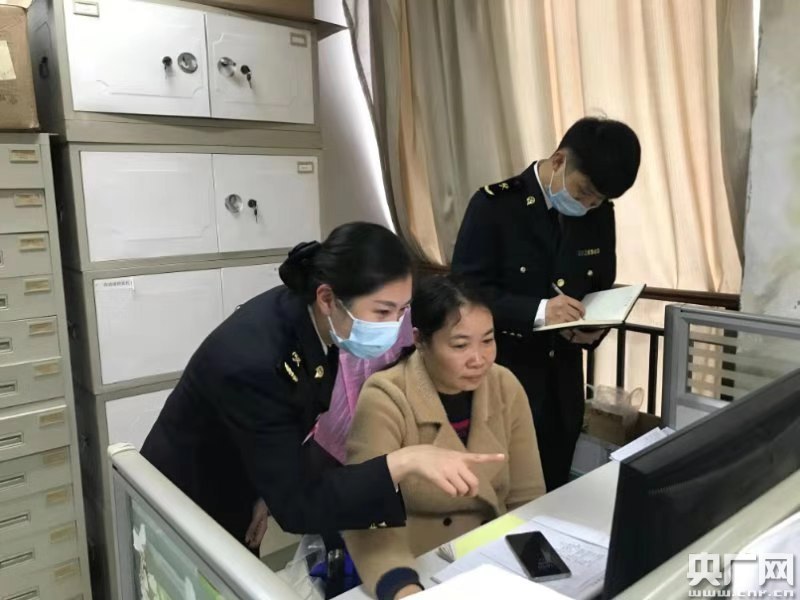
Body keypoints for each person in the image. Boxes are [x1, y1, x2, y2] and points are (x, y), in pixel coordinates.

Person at [141, 223, 505, 553]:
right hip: (188, 497)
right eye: (382, 312)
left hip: (243, 474)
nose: (394, 326)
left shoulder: (316, 321)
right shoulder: (257, 363)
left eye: (401, 310)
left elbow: (291, 425)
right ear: (327, 298)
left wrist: (266, 487)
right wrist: (403, 461)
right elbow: (297, 507)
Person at [451, 117, 641, 491]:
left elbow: (598, 284)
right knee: (496, 492)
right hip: (503, 377)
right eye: (584, 192)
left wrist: (592, 329)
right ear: (558, 161)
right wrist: (539, 311)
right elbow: (464, 292)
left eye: (599, 200)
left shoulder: (599, 214)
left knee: (553, 489)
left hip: (563, 385)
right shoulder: (495, 205)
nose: (588, 205)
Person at [343, 275, 546, 600]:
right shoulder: (386, 396)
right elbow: (366, 514)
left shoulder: (504, 385)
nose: (479, 359)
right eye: (460, 345)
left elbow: (527, 494)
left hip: (495, 554)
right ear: (420, 340)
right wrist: (404, 589)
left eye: (488, 340)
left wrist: (539, 567)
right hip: (419, 562)